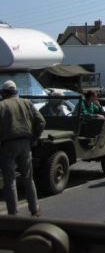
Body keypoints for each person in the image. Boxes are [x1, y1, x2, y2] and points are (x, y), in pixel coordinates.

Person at [0, 80, 45, 217]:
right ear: (15, 91)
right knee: (28, 178)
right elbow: (41, 121)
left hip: (7, 145)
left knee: (10, 180)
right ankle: (35, 209)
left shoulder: (1, 105)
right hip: (25, 144)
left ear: (4, 92)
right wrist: (34, 138)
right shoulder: (26, 103)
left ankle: (13, 214)